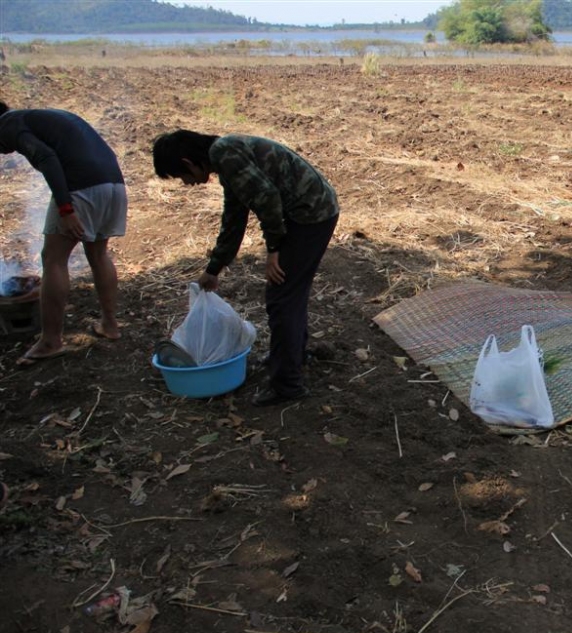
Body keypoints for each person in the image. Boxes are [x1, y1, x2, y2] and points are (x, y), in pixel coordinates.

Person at [152, 130, 340, 407]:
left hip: (310, 215)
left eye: (182, 176)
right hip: (311, 211)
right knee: (289, 294)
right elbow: (234, 217)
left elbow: (267, 198)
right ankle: (291, 358)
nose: (187, 183)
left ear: (188, 162)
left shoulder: (224, 154)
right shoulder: (225, 156)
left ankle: (287, 384)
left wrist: (273, 249)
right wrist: (214, 268)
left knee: (282, 298)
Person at [0, 102, 127, 364]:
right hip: (114, 185)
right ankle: (110, 325)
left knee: (53, 258)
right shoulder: (41, 116)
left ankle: (50, 341)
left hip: (82, 188)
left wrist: (66, 208)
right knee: (98, 253)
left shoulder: (8, 124)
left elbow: (46, 158)